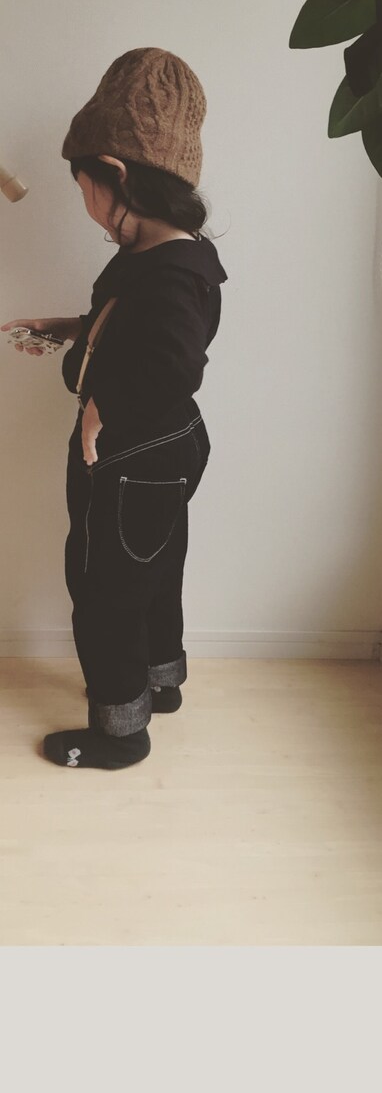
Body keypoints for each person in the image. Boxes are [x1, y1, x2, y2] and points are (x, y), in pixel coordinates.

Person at [2, 48, 227, 769]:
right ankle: (159, 680)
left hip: (133, 453)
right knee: (152, 568)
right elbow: (134, 324)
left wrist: (102, 407)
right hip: (163, 448)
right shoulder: (163, 258)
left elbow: (176, 364)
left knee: (105, 587)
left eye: (86, 191)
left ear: (115, 174)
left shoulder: (173, 274)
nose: (89, 209)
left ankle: (119, 732)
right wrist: (71, 328)